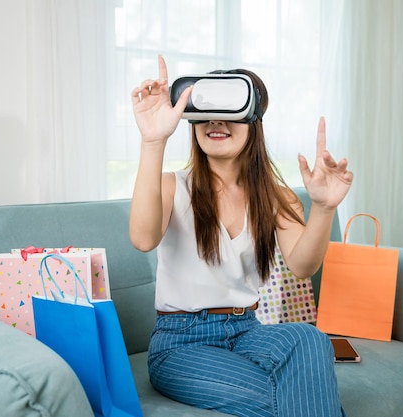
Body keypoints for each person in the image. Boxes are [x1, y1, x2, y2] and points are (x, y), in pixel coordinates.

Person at [129, 55, 352, 417]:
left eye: (228, 110)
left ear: (253, 119)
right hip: (180, 342)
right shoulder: (173, 187)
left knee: (310, 339)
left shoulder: (276, 197)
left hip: (248, 329)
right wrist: (153, 141)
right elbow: (142, 238)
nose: (215, 120)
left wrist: (324, 209)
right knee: (291, 394)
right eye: (206, 111)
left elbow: (302, 265)